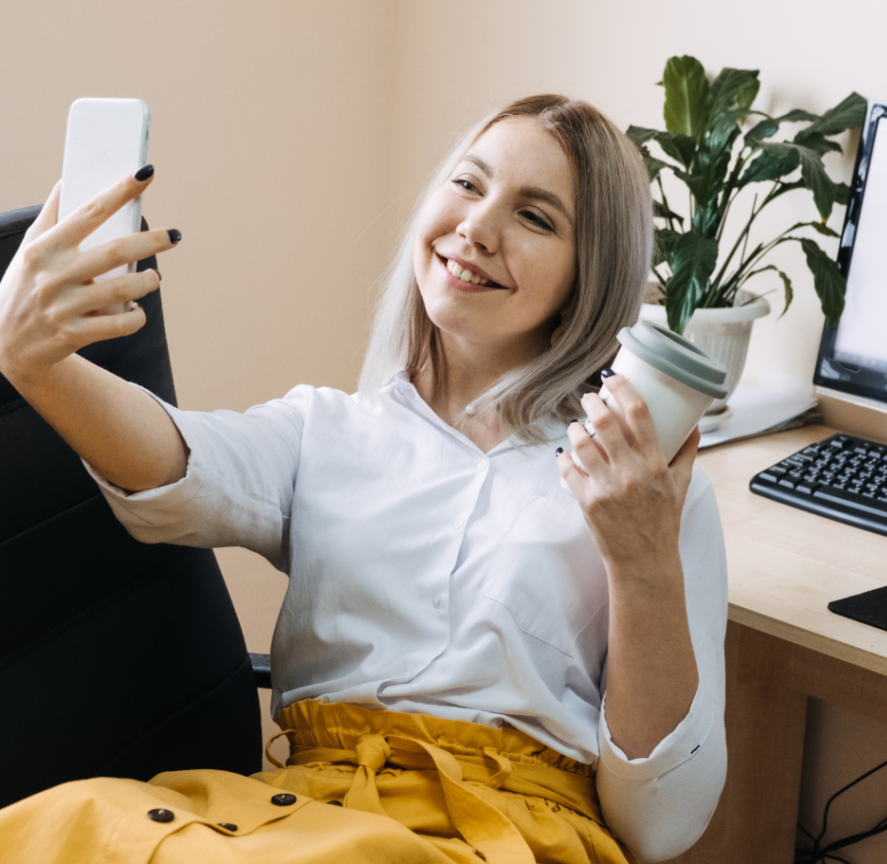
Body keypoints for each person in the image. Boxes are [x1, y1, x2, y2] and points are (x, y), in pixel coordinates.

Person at [0, 95, 727, 864]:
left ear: (593, 273)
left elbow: (663, 824)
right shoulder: (328, 431)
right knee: (65, 820)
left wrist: (641, 561)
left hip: (500, 839)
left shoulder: (639, 493)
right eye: (469, 185)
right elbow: (179, 463)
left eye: (535, 218)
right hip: (299, 819)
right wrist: (34, 366)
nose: (477, 229)